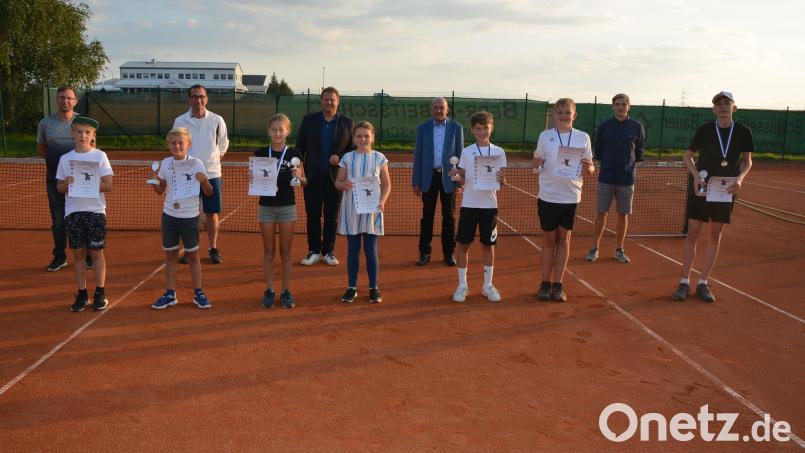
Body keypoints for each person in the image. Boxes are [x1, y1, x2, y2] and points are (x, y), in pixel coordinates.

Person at [671, 91, 754, 303]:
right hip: (703, 186)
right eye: (719, 104)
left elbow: (747, 162)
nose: (723, 107)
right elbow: (687, 157)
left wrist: (740, 179)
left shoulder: (744, 132)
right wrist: (696, 176)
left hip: (725, 190)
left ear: (734, 107)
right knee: (693, 232)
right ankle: (684, 281)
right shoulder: (705, 130)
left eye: (727, 103)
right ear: (714, 109)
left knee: (715, 235)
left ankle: (703, 283)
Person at [532, 98, 595, 302]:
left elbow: (591, 168)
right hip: (548, 195)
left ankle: (558, 284)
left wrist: (589, 168)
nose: (563, 116)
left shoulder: (583, 138)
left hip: (571, 196)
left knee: (564, 240)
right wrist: (536, 163)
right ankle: (544, 282)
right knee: (549, 240)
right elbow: (536, 168)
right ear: (554, 115)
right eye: (559, 112)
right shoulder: (545, 136)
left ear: (574, 115)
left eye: (567, 112)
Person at [54, 116, 114, 312]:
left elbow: (108, 184)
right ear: (72, 133)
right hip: (73, 212)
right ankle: (81, 293)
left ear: (93, 135)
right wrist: (68, 183)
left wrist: (87, 182)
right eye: (79, 131)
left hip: (95, 211)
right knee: (78, 253)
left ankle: (100, 292)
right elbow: (60, 187)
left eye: (87, 132)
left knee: (96, 252)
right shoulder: (65, 159)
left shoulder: (100, 156)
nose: (83, 135)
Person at [149, 127, 214, 310]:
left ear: (188, 145)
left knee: (193, 256)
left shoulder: (197, 164)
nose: (177, 146)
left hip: (190, 217)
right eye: (173, 143)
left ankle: (198, 293)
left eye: (181, 143)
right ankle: (170, 294)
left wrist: (204, 182)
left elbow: (209, 193)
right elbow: (160, 190)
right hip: (170, 216)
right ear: (168, 145)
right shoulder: (165, 163)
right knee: (171, 256)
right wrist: (153, 180)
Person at [448, 111, 507, 303]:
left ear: (492, 128)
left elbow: (502, 181)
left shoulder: (499, 152)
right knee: (462, 245)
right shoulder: (466, 152)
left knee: (488, 246)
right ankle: (462, 286)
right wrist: (456, 176)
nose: (482, 131)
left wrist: (502, 180)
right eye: (478, 128)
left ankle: (487, 286)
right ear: (473, 130)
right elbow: (463, 178)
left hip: (489, 206)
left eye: (486, 127)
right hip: (469, 205)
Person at [295, 87, 354, 266]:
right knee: (312, 215)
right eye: (326, 99)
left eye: (332, 99)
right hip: (312, 179)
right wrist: (301, 173)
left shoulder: (347, 123)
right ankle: (313, 251)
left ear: (338, 101)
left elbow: (352, 151)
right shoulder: (309, 121)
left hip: (335, 179)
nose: (329, 102)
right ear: (321, 101)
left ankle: (328, 251)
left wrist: (340, 158)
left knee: (332, 216)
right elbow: (299, 148)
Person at [334, 121, 391, 304]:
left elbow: (387, 184)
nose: (363, 139)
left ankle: (373, 288)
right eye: (359, 136)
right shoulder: (347, 158)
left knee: (371, 249)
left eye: (366, 135)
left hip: (373, 209)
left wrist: (382, 200)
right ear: (353, 138)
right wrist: (343, 184)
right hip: (352, 208)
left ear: (372, 137)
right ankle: (352, 287)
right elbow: (338, 182)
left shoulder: (379, 158)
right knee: (353, 250)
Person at [37, 86, 93, 271]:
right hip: (55, 179)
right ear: (57, 100)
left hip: (82, 181)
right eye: (62, 97)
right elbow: (42, 149)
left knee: (84, 216)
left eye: (69, 98)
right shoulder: (45, 123)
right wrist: (58, 167)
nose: (65, 101)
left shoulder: (83, 123)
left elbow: (92, 148)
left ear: (75, 101)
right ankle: (60, 256)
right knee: (59, 220)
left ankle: (89, 255)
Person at [172, 84, 229, 264]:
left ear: (206, 98)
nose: (198, 100)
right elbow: (176, 143)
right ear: (189, 99)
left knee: (212, 213)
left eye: (201, 96)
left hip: (212, 174)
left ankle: (213, 248)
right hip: (186, 175)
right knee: (189, 213)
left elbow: (223, 144)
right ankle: (191, 249)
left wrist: (213, 160)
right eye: (195, 96)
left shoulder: (217, 120)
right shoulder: (179, 121)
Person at [586, 93, 645, 263]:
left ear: (629, 107)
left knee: (622, 214)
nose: (620, 107)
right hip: (606, 177)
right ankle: (594, 248)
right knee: (601, 213)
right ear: (612, 107)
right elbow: (599, 151)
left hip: (627, 180)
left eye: (623, 104)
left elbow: (639, 152)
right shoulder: (604, 127)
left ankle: (619, 249)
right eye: (617, 104)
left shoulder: (637, 127)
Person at [255, 114, 306, 309]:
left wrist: (299, 176)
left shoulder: (295, 154)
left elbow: (304, 182)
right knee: (269, 251)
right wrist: (253, 177)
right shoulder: (260, 153)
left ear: (287, 131)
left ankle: (286, 291)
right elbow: (255, 182)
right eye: (274, 129)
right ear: (269, 131)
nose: (277, 133)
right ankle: (269, 290)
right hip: (266, 208)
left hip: (287, 207)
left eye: (281, 129)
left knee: (285, 252)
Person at [412, 97, 464, 266]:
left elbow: (460, 156)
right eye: (436, 107)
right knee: (427, 216)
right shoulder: (423, 129)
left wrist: (459, 182)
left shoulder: (457, 128)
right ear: (432, 109)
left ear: (447, 109)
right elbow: (418, 157)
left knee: (448, 217)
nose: (439, 110)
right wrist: (416, 181)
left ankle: (449, 253)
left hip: (449, 178)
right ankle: (424, 253)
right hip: (429, 178)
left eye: (442, 107)